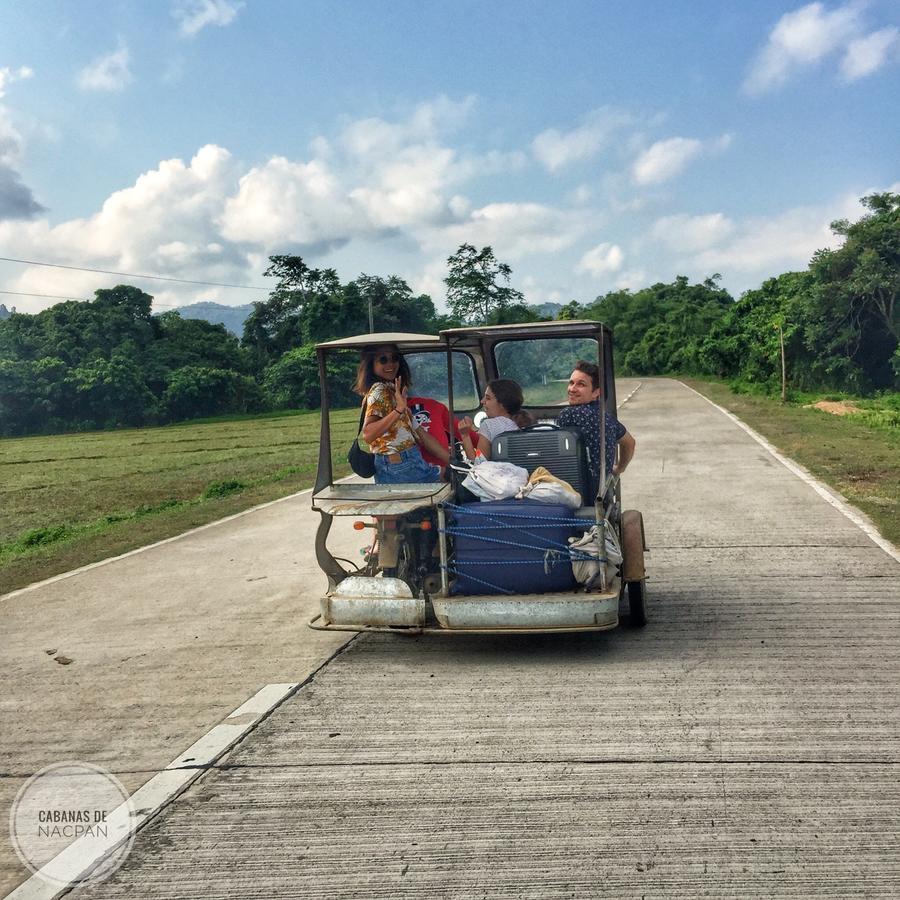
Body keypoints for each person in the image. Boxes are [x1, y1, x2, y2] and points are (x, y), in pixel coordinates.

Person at [353, 345, 444, 484]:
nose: (390, 364)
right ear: (371, 364)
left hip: (407, 462)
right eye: (383, 360)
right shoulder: (380, 390)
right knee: (447, 486)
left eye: (394, 358)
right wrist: (398, 410)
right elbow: (368, 434)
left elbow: (421, 434)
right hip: (400, 464)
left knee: (447, 479)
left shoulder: (392, 392)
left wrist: (451, 460)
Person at [556, 360, 635, 500]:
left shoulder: (568, 415)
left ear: (596, 392)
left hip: (576, 493)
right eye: (571, 383)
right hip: (602, 494)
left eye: (581, 384)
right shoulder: (606, 418)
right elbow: (630, 442)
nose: (572, 389)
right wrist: (619, 468)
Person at [459, 379, 533, 460]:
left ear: (502, 404)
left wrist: (465, 435)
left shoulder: (489, 425)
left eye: (488, 398)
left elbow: (479, 465)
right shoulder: (526, 423)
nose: (482, 401)